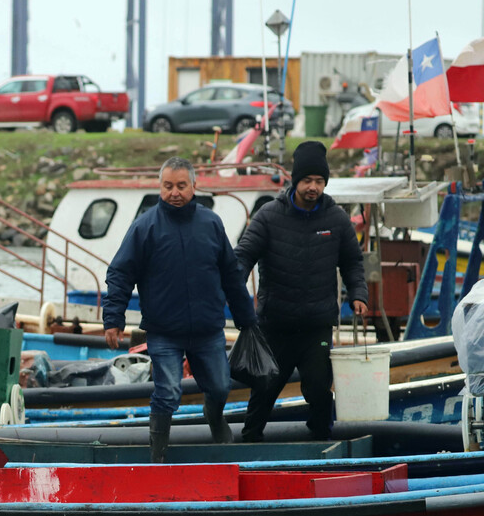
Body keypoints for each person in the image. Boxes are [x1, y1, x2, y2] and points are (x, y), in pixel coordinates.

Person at [103, 157, 257, 461]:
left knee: (220, 386)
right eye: (168, 186)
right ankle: (157, 455)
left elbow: (231, 274)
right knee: (168, 393)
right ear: (160, 187)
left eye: (181, 186)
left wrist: (246, 319)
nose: (174, 192)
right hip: (164, 331)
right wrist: (113, 318)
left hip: (208, 328)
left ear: (194, 186)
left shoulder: (211, 223)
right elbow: (120, 273)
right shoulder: (144, 226)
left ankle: (214, 416)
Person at [233, 140, 368, 442]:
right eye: (307, 180)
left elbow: (353, 262)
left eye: (319, 181)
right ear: (295, 181)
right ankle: (249, 442)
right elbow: (243, 256)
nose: (313, 187)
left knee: (319, 388)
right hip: (275, 324)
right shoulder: (269, 215)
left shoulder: (336, 219)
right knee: (265, 388)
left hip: (316, 326)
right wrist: (233, 291)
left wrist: (359, 294)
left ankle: (321, 442)